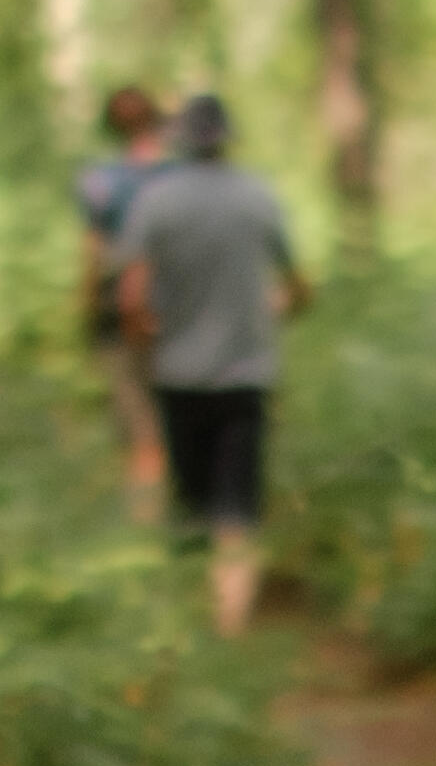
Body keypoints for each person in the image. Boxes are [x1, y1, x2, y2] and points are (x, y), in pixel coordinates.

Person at [114, 88, 307, 635]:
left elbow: (131, 296)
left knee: (190, 501)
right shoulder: (260, 197)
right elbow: (296, 285)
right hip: (247, 375)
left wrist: (144, 339)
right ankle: (231, 622)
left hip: (178, 375)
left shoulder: (157, 201)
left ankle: (190, 618)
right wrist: (275, 309)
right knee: (238, 509)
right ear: (228, 142)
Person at [73, 83, 172, 504]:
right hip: (178, 305)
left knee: (136, 416)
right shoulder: (182, 174)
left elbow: (94, 249)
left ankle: (148, 509)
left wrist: (89, 303)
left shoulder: (99, 181)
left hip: (120, 306)